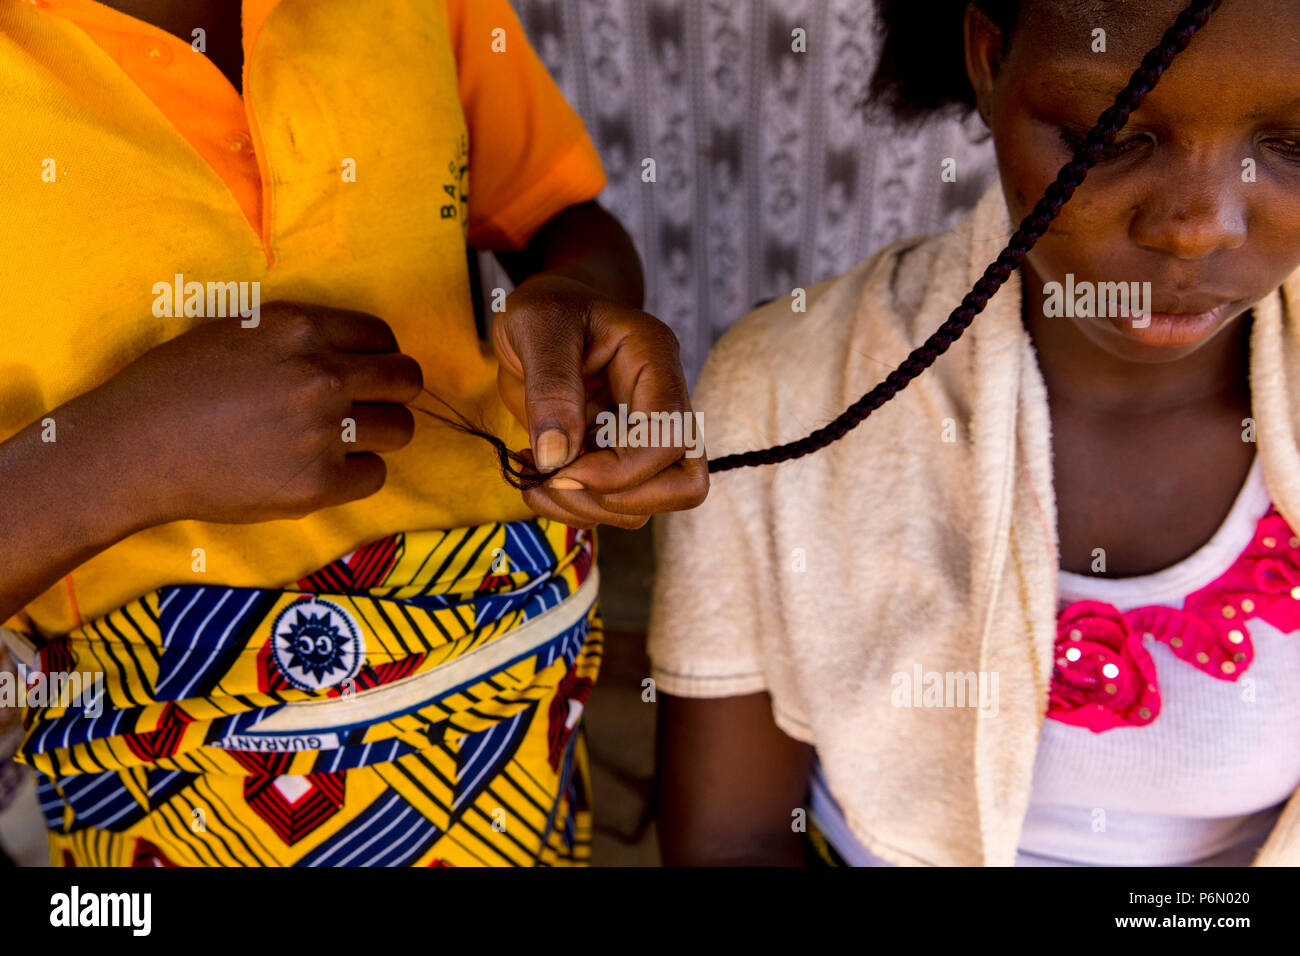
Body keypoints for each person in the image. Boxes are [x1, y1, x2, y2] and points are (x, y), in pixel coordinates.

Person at [0, 0, 705, 866]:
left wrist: (579, 308)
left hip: (519, 724)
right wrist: (123, 460)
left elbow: (557, 218)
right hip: (173, 808)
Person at [650, 0, 1300, 866]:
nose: (1197, 225)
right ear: (991, 60)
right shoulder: (784, 397)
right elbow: (733, 839)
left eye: (1295, 146)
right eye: (1108, 135)